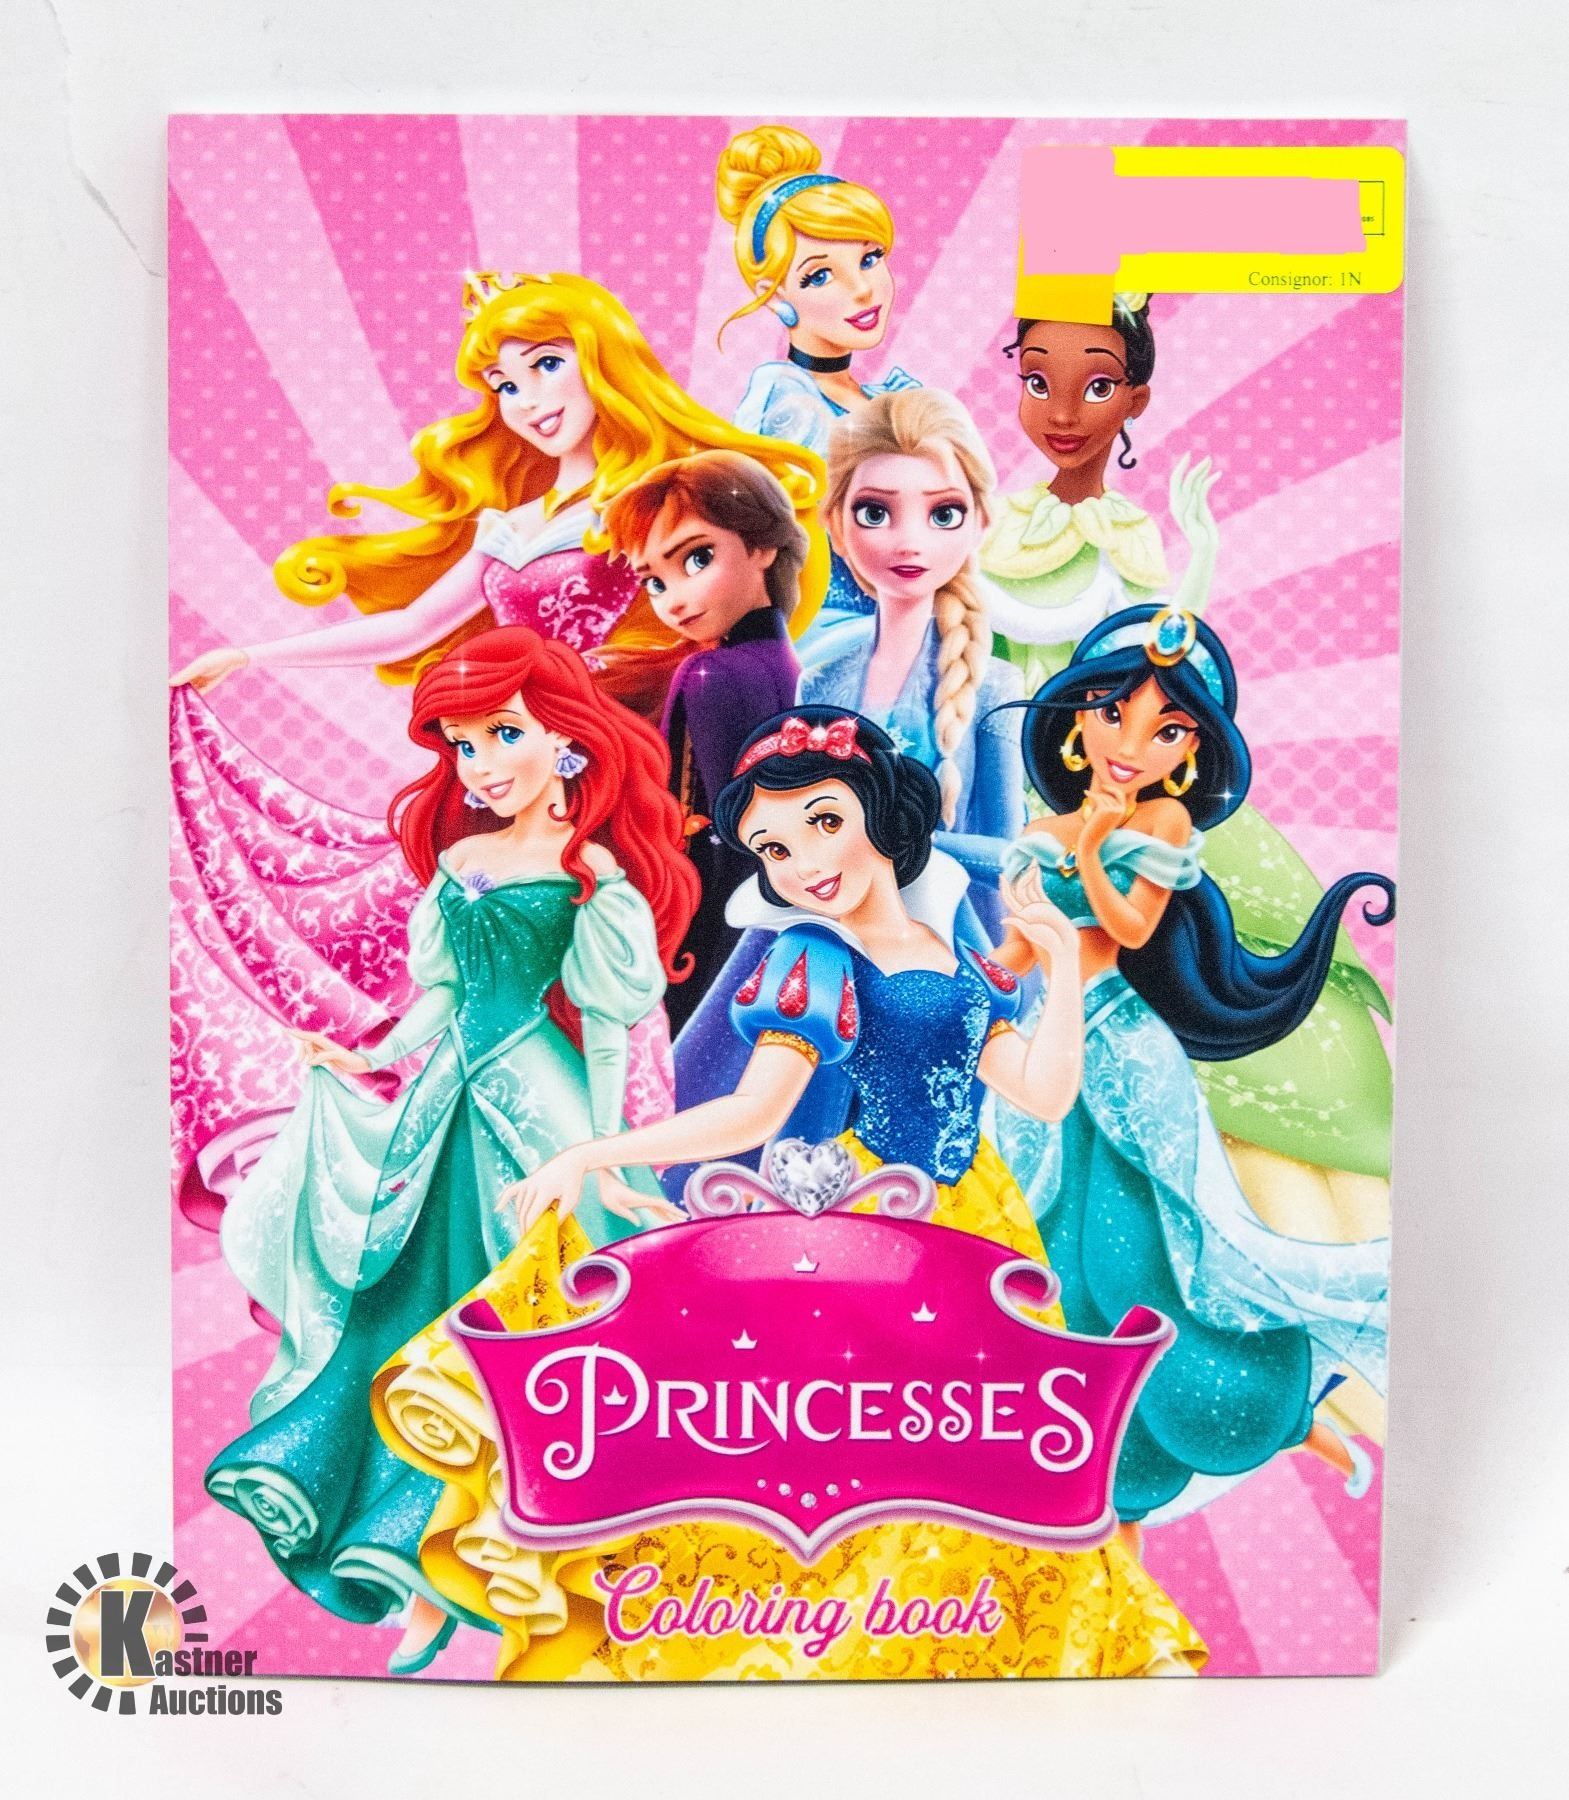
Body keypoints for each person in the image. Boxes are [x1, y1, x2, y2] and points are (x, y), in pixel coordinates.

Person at [372, 708, 1206, 1680]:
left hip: (983, 1221)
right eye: (773, 848)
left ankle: (982, 1643)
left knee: (994, 1444)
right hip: (878, 1220)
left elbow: (1042, 1092)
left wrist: (1060, 969)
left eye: (823, 823)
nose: (803, 862)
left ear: (881, 815)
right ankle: (848, 1641)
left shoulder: (963, 956)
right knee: (878, 1439)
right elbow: (753, 1112)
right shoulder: (812, 956)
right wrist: (595, 1154)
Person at [204, 627, 696, 1673]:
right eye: (463, 745)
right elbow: (437, 999)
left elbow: (609, 1031)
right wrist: (367, 1055)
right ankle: (407, 1562)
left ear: (564, 737)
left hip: (540, 1105)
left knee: (523, 1317)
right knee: (405, 1306)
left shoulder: (590, 874)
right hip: (441, 1105)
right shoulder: (465, 859)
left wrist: (609, 1155)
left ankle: (525, 1565)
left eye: (502, 735)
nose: (479, 764)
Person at [992, 605, 1393, 1546]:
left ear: (1189, 754)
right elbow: (1015, 953)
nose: (1130, 744)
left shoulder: (1159, 819)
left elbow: (1129, 928)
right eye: (1112, 715)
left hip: (1125, 1048)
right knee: (1052, 1245)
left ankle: (1259, 1411)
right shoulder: (1041, 827)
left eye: (1166, 730)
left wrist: (1093, 847)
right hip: (1050, 1044)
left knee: (1148, 1242)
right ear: (1076, 720)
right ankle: (1101, 1476)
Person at [172, 271, 827, 720]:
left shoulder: (651, 502)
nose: (528, 400)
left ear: (601, 361)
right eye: (505, 384)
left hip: (625, 728)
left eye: (546, 364)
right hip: (519, 733)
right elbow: (411, 627)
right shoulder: (510, 525)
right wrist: (251, 656)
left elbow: (726, 603)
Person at [600, 451, 805, 1029]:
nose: (674, 600)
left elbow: (729, 839)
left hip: (708, 926)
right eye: (654, 582)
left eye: (698, 558)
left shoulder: (711, 674)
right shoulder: (786, 664)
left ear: (762, 546)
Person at [715, 124, 920, 661]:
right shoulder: (788, 405)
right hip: (827, 644)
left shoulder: (892, 398)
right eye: (819, 276)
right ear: (773, 296)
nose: (863, 289)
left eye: (869, 258)